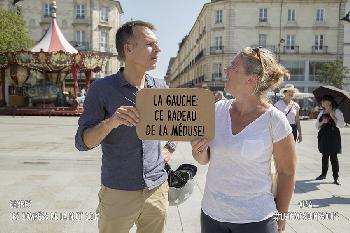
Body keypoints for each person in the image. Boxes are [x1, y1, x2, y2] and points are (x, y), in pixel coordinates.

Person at [75, 20, 175, 233]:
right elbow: (83, 142)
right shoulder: (101, 89)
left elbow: (175, 125)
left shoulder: (160, 87)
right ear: (128, 49)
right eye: (150, 44)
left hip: (157, 189)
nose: (158, 49)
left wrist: (170, 148)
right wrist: (112, 122)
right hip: (118, 191)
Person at [191, 47, 297, 233]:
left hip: (256, 220)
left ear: (251, 79)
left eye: (233, 67)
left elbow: (287, 172)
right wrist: (198, 150)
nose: (226, 70)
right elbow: (204, 159)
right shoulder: (217, 110)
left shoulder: (274, 120)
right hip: (211, 216)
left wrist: (281, 216)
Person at [315, 95, 345, 185]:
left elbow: (341, 124)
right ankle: (323, 174)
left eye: (324, 101)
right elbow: (317, 126)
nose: (322, 103)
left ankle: (336, 177)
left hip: (333, 135)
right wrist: (321, 122)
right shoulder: (322, 112)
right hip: (323, 135)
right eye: (322, 102)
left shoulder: (336, 111)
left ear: (329, 102)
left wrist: (333, 117)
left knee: (333, 157)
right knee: (324, 155)